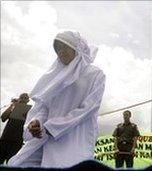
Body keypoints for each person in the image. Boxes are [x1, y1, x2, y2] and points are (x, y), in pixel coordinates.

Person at [7, 31, 106, 167]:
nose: (61, 51)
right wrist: (36, 122)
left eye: (65, 47)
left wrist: (53, 126)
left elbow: (88, 109)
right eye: (57, 48)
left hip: (74, 139)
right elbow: (45, 107)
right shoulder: (55, 76)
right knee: (20, 163)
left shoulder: (95, 74)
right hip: (44, 138)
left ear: (77, 47)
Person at [0, 93, 30, 164]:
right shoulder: (13, 108)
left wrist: (27, 117)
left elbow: (29, 125)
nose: (23, 99)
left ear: (28, 100)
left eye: (25, 98)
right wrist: (12, 105)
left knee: (11, 162)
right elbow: (3, 118)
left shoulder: (30, 111)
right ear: (19, 99)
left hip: (17, 141)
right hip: (5, 138)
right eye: (21, 97)